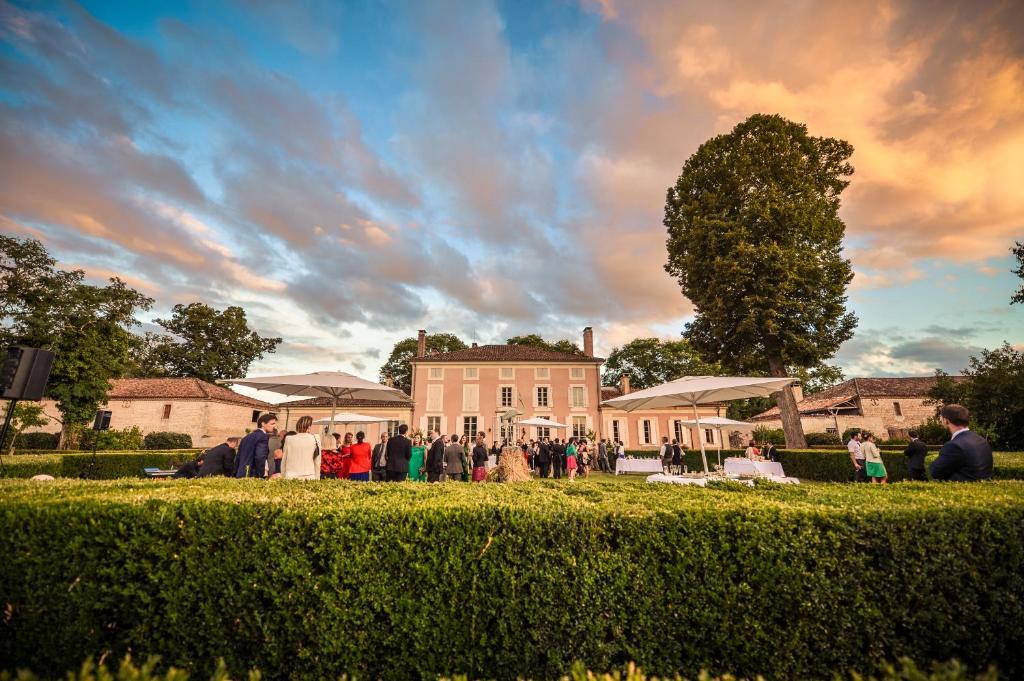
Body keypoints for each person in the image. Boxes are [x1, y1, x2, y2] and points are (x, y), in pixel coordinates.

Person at [929, 404, 993, 482]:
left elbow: (935, 472)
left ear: (946, 421)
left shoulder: (954, 445)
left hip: (962, 490)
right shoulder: (981, 440)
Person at [235, 413, 276, 478]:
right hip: (253, 474)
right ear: (263, 424)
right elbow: (260, 457)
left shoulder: (246, 437)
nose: (274, 426)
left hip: (241, 473)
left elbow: (238, 457)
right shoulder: (262, 437)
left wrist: (236, 473)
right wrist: (261, 474)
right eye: (272, 424)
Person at [281, 415, 322, 480]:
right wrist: (317, 478)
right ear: (309, 427)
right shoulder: (315, 438)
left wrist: (283, 475)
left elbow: (284, 459)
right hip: (309, 476)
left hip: (290, 476)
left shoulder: (289, 439)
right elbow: (317, 461)